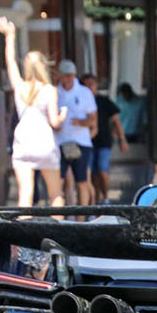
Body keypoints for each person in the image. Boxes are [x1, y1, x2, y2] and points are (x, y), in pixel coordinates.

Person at [0, 16, 67, 208]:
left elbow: (10, 62)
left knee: (25, 194)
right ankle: (57, 233)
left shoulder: (20, 87)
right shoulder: (49, 90)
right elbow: (54, 122)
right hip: (44, 141)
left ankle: (23, 236)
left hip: (23, 140)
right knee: (55, 194)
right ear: (44, 66)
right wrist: (62, 116)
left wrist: (9, 36)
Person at [55, 59, 97, 206]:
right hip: (60, 141)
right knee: (58, 181)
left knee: (82, 181)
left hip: (81, 141)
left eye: (70, 75)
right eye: (65, 75)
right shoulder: (54, 91)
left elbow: (92, 119)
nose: (68, 79)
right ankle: (58, 216)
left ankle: (82, 217)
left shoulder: (84, 92)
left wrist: (80, 122)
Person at [82, 73, 128, 204]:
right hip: (87, 142)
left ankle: (106, 196)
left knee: (103, 170)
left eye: (92, 85)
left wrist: (122, 139)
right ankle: (95, 198)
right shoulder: (80, 101)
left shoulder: (103, 101)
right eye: (86, 85)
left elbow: (116, 121)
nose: (89, 88)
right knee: (92, 174)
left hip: (104, 141)